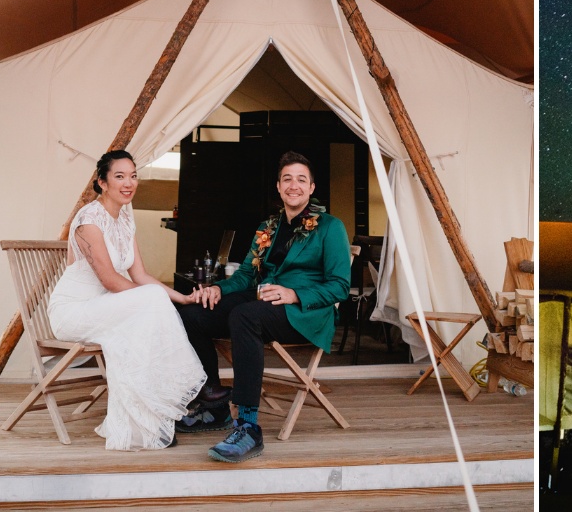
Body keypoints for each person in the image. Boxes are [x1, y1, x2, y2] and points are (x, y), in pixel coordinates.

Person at [176, 151, 351, 463]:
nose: (293, 185)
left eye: (301, 179)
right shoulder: (268, 226)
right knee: (191, 315)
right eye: (287, 179)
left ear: (311, 188)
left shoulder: (330, 227)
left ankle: (248, 426)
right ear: (279, 186)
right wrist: (216, 288)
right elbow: (245, 275)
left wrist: (294, 293)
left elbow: (339, 285)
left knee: (245, 316)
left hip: (305, 311)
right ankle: (215, 401)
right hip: (263, 303)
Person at [47, 149, 207, 451]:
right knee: (148, 306)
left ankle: (149, 422)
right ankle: (183, 393)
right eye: (119, 176)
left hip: (108, 308)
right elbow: (109, 279)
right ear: (102, 182)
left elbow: (141, 275)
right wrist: (155, 300)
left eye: (133, 175)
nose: (128, 183)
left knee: (142, 317)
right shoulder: (88, 220)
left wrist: (181, 298)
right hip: (74, 311)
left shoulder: (124, 218)